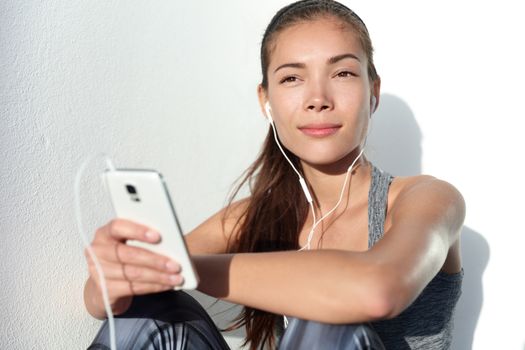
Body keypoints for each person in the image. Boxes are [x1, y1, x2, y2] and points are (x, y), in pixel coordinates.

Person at [83, 1, 465, 349]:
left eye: (343, 72)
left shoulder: (429, 199)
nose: (318, 98)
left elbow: (377, 290)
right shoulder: (255, 216)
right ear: (266, 101)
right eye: (292, 79)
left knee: (329, 316)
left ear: (373, 92)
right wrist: (116, 276)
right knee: (147, 311)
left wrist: (182, 268)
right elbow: (96, 300)